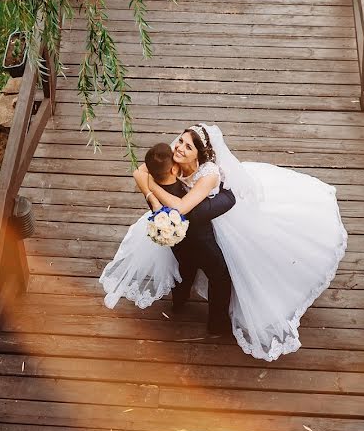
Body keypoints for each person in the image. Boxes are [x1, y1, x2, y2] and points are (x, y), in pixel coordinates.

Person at [104, 124, 348, 362]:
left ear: (199, 153)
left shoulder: (208, 174)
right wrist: (151, 194)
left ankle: (208, 318)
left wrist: (151, 187)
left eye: (187, 147)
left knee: (205, 269)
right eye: (180, 141)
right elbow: (142, 170)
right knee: (203, 269)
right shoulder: (171, 156)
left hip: (203, 223)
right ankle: (193, 309)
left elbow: (180, 206)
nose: (179, 148)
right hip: (188, 233)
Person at [100, 143, 236, 336]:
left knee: (184, 270)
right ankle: (217, 324)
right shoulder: (183, 198)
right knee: (220, 276)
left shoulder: (155, 188)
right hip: (201, 242)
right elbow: (208, 204)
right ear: (173, 169)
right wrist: (227, 195)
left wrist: (150, 190)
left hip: (177, 245)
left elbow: (139, 172)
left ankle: (178, 303)